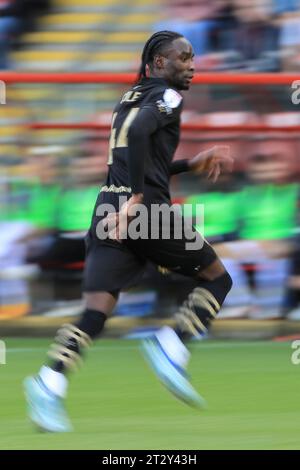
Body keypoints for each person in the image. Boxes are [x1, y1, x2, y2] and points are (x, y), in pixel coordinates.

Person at [24, 30, 233, 433]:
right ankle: (170, 346)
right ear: (158, 63)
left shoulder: (129, 98)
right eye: (184, 58)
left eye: (193, 58)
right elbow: (140, 142)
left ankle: (48, 382)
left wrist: (191, 164)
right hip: (145, 212)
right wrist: (139, 197)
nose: (192, 65)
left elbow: (139, 154)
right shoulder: (170, 97)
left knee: (96, 310)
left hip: (107, 210)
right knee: (218, 278)